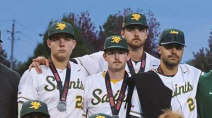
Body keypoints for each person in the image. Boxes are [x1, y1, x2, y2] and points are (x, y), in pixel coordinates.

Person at [126, 28, 203, 118]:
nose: (174, 51)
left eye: (178, 47)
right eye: (169, 46)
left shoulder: (193, 73)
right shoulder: (146, 81)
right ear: (159, 49)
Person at [18, 21, 88, 118]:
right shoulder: (34, 72)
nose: (62, 44)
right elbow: (23, 111)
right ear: (49, 43)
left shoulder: (83, 71)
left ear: (74, 44)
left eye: (67, 39)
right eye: (56, 39)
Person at [31, 11, 160, 76]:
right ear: (122, 33)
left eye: (141, 30)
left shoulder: (157, 64)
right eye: (131, 30)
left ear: (146, 34)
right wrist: (48, 60)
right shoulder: (102, 58)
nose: (136, 34)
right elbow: (71, 62)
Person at [83, 35, 142, 118]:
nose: (116, 57)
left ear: (128, 55)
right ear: (104, 56)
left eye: (121, 52)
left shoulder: (138, 83)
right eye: (112, 53)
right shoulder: (90, 82)